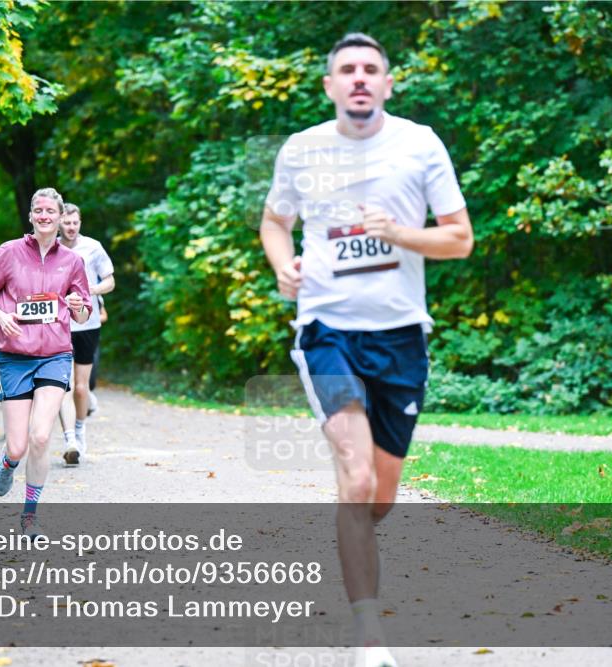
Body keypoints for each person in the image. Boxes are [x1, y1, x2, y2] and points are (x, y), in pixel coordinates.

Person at [260, 33, 473, 667]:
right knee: (354, 478)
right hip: (325, 329)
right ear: (329, 86)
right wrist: (282, 268)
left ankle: (354, 552)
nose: (358, 78)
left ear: (387, 83)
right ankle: (368, 635)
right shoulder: (302, 150)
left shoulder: (419, 143)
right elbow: (276, 221)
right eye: (346, 70)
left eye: (370, 70)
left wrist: (400, 233)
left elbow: (459, 238)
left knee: (378, 498)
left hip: (402, 337)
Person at [0, 187, 92, 536]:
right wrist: (0, 315)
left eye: (50, 211)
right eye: (38, 210)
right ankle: (9, 462)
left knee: (41, 437)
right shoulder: (9, 253)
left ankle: (29, 516)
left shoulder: (73, 262)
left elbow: (84, 313)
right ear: (30, 216)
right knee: (18, 445)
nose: (44, 216)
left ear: (59, 217)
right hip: (13, 356)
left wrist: (78, 307)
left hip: (55, 355)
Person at [55, 203, 115, 464]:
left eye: (75, 223)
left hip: (88, 325)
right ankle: (69, 439)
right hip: (58, 325)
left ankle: (80, 431)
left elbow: (110, 281)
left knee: (81, 388)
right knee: (63, 386)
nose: (71, 227)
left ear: (80, 223)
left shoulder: (93, 247)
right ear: (59, 223)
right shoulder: (50, 248)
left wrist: (90, 289)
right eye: (66, 223)